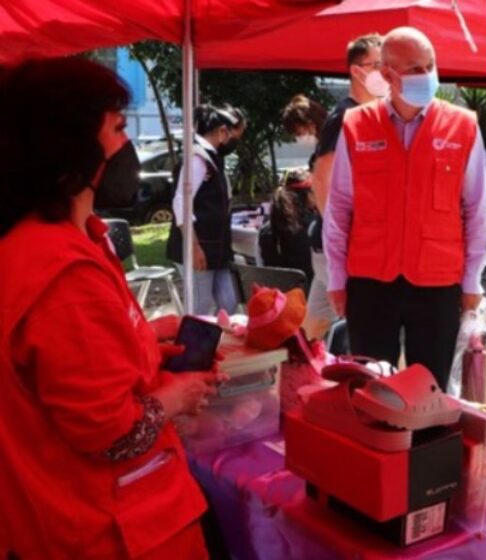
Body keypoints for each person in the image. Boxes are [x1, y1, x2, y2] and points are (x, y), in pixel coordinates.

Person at [0, 57, 223, 559]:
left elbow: (84, 365)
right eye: (118, 128)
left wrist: (150, 344)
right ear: (70, 145)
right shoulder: (59, 271)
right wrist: (178, 394)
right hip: (111, 531)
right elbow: (111, 433)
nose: (128, 146)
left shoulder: (77, 238)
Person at [324, 26, 486, 391]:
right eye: (416, 68)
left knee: (429, 393)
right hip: (370, 282)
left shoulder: (462, 126)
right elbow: (339, 208)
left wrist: (472, 281)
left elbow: (477, 209)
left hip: (437, 283)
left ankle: (425, 449)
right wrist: (337, 279)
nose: (427, 75)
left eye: (431, 65)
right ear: (386, 75)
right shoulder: (356, 125)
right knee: (369, 389)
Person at [303, 32, 387, 341]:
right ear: (356, 69)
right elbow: (322, 176)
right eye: (377, 64)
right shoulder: (346, 116)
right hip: (339, 245)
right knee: (370, 324)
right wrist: (338, 234)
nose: (385, 72)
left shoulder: (368, 113)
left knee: (314, 325)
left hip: (333, 243)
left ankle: (290, 376)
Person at [166, 104, 240, 316]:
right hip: (199, 245)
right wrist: (194, 247)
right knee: (201, 305)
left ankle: (219, 345)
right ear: (222, 131)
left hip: (216, 246)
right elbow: (181, 202)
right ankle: (192, 347)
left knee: (229, 301)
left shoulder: (211, 157)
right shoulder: (198, 158)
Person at [259, 169, 318, 284]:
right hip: (308, 297)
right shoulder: (315, 229)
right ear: (309, 195)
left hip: (277, 297)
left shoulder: (265, 230)